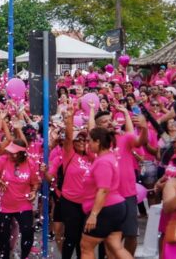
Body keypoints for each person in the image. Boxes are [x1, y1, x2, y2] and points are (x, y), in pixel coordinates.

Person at [79, 127, 132, 259]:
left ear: (97, 142)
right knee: (115, 247)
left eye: (90, 141)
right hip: (114, 207)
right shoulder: (108, 157)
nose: (88, 144)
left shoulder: (103, 162)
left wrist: (94, 215)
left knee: (86, 247)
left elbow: (103, 190)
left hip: (106, 209)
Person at [57, 111, 92, 259]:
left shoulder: (93, 157)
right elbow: (70, 135)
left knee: (83, 240)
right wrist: (70, 118)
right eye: (78, 140)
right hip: (70, 202)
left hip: (87, 204)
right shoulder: (69, 154)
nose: (81, 143)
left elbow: (93, 132)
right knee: (71, 237)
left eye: (84, 140)